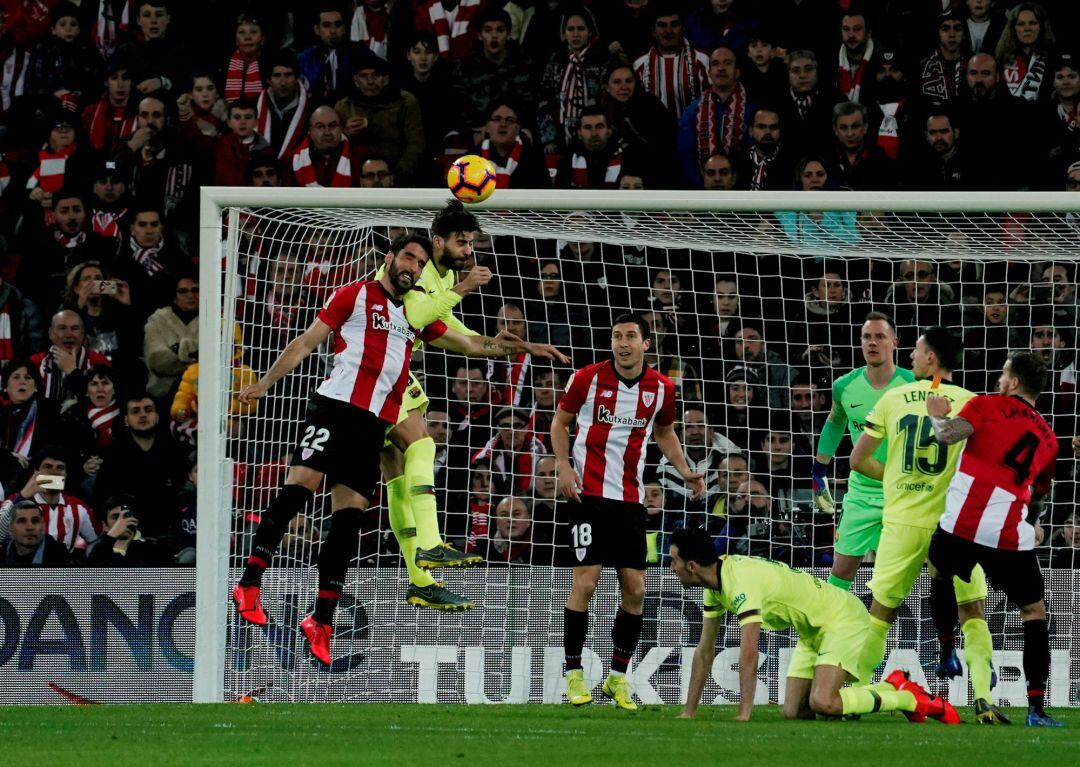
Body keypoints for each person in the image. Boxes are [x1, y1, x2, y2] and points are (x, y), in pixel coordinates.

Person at [232, 234, 561, 664]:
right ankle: (250, 582)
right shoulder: (354, 294)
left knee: (348, 521)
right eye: (408, 256)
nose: (412, 265)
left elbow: (474, 344)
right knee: (301, 488)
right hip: (336, 407)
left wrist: (526, 347)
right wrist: (263, 383)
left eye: (420, 261)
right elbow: (306, 342)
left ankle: (322, 619)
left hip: (373, 424)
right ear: (390, 258)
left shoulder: (413, 315)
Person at [553, 313, 705, 711]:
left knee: (636, 591)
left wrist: (686, 470)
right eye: (617, 335)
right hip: (587, 497)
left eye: (631, 336)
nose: (623, 343)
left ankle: (617, 678)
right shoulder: (586, 378)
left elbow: (664, 431)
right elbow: (560, 423)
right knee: (585, 584)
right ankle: (573, 674)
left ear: (646, 344)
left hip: (630, 501)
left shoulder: (661, 388)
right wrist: (564, 466)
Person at [669, 526, 957, 723]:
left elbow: (749, 652)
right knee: (794, 712)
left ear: (691, 565)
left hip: (841, 618)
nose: (671, 568)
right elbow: (705, 650)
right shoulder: (714, 585)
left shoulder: (741, 581)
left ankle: (906, 698)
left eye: (673, 561)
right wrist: (689, 712)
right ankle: (890, 685)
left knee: (824, 703)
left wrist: (744, 713)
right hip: (812, 630)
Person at [849, 327, 993, 716]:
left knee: (881, 611)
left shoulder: (892, 399)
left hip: (903, 520)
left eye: (916, 350)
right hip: (955, 524)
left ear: (931, 357)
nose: (911, 356)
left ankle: (854, 693)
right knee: (972, 610)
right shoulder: (973, 403)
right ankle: (984, 699)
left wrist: (897, 477)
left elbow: (857, 461)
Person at [925, 351, 1062, 727]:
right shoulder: (1049, 439)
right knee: (1034, 613)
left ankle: (947, 651)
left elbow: (947, 435)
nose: (1000, 380)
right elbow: (1039, 493)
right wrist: (1033, 524)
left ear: (1014, 382)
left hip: (962, 525)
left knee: (939, 570)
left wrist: (936, 411)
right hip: (1007, 533)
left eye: (1003, 375)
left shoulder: (984, 405)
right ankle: (1036, 708)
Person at [813, 312, 915, 591]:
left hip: (905, 491)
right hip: (862, 492)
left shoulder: (915, 384)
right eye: (867, 337)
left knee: (902, 574)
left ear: (894, 342)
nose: (872, 342)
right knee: (840, 572)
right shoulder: (844, 385)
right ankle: (831, 630)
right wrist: (819, 470)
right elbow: (834, 423)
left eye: (880, 336)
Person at [677, 46, 752, 188]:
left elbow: (754, 157)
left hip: (743, 194)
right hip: (702, 195)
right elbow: (685, 157)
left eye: (727, 63)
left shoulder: (751, 110)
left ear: (737, 72)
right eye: (716, 64)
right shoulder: (692, 112)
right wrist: (703, 191)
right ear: (709, 72)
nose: (721, 68)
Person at [632, 6, 709, 119]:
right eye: (662, 25)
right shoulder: (639, 65)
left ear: (683, 29)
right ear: (653, 31)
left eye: (674, 24)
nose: (668, 31)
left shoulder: (702, 61)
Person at [256, 48, 310, 162]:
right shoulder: (255, 108)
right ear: (268, 80)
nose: (283, 82)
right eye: (277, 75)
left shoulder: (312, 108)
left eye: (288, 75)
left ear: (296, 77)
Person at [87, 494, 173, 565]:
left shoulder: (152, 549)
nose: (122, 522)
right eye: (116, 517)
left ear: (136, 521)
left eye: (126, 516)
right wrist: (112, 535)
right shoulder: (95, 551)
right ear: (105, 526)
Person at [0, 499, 70, 566]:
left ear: (43, 526)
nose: (30, 527)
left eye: (35, 521)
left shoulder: (59, 554)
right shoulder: (3, 553)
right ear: (10, 529)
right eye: (22, 521)